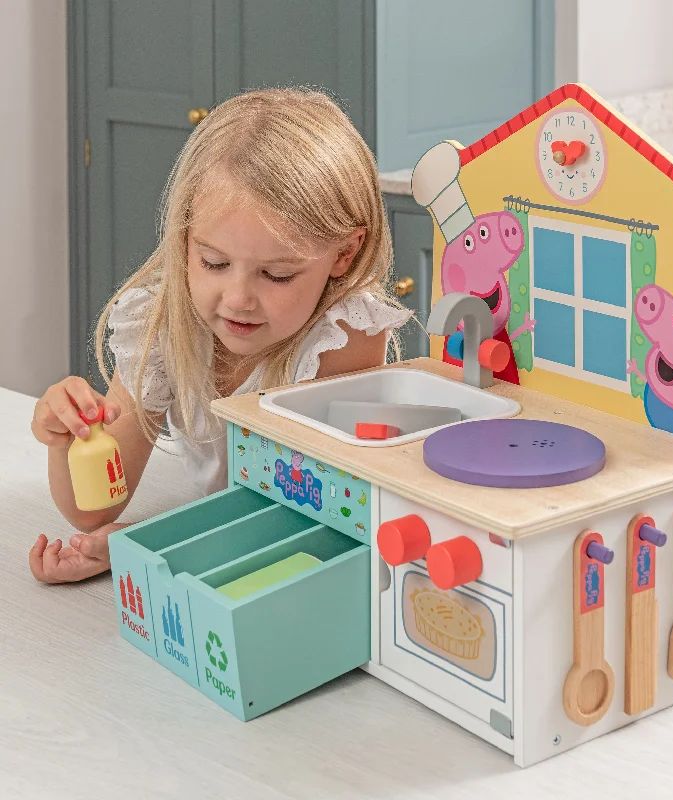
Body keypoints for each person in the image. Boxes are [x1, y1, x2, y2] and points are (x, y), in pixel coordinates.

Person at [29, 87, 412, 583]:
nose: (237, 299)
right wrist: (68, 440)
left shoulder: (340, 339)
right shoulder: (163, 320)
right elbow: (94, 509)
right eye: (213, 262)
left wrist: (148, 543)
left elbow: (298, 524)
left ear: (343, 254)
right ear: (185, 236)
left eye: (276, 275)